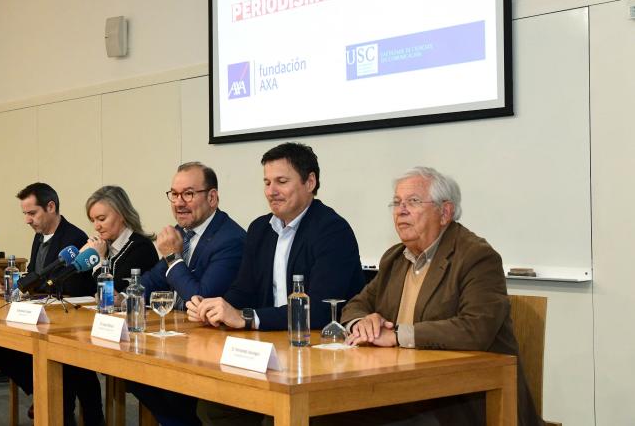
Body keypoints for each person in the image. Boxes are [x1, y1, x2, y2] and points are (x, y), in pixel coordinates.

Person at [337, 167, 543, 426]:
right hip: (400, 391)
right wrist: (363, 322)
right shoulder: (394, 258)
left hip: (466, 400)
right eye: (396, 203)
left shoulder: (476, 257)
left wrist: (398, 334)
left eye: (412, 202)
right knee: (322, 416)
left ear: (444, 212)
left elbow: (475, 329)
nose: (401, 211)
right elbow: (356, 305)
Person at [188, 142, 366, 425]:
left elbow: (320, 311)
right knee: (214, 405)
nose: (271, 191)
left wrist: (247, 318)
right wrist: (216, 307)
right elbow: (243, 290)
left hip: (319, 354)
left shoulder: (332, 230)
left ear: (310, 182)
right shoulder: (260, 228)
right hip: (270, 347)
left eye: (281, 181)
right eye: (267, 182)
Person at [130, 162, 246, 426]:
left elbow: (201, 300)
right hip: (182, 337)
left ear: (212, 198)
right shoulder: (183, 231)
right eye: (174, 194)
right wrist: (126, 297)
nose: (179, 203)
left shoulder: (230, 240)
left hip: (214, 345)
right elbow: (154, 278)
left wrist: (172, 256)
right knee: (132, 371)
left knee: (151, 377)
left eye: (188, 194)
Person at [0, 183, 104, 425]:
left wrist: (33, 289)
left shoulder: (74, 239)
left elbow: (75, 288)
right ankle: (44, 391)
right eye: (25, 214)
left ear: (51, 207)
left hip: (71, 322)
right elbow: (37, 274)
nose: (27, 220)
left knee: (67, 365)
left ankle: (58, 402)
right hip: (42, 315)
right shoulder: (39, 237)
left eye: (32, 213)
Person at [82, 185, 158, 291]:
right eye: (93, 220)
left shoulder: (141, 247)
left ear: (122, 214)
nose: (96, 227)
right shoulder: (103, 245)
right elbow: (79, 288)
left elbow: (112, 292)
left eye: (101, 219)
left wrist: (99, 258)